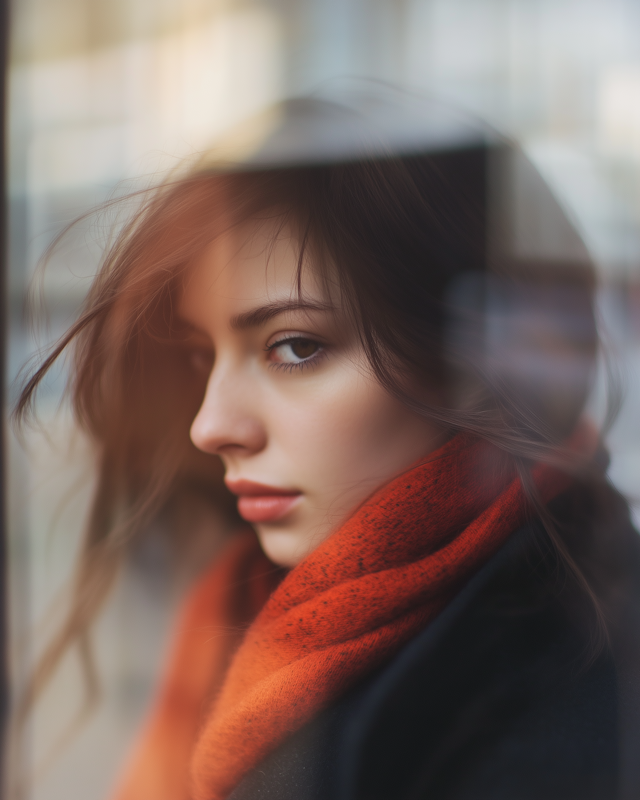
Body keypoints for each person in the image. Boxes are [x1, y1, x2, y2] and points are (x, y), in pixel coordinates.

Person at [17, 88, 640, 800]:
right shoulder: (240, 607)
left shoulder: (566, 693)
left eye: (296, 346)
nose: (210, 425)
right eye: (200, 356)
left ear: (473, 361)